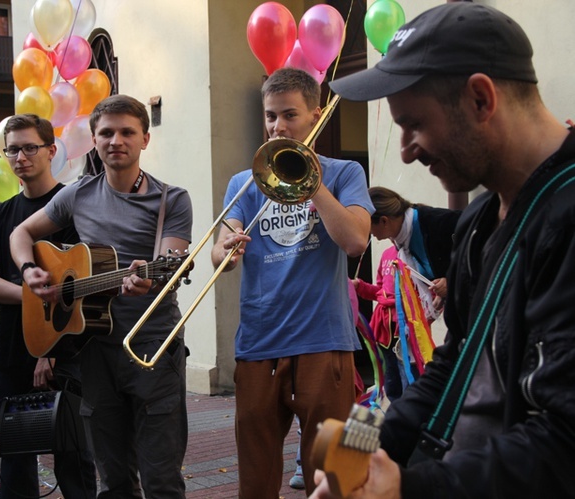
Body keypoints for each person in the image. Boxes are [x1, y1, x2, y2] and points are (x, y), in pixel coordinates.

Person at [311, 3, 575, 497]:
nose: (407, 150)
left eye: (414, 124)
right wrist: (355, 448)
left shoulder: (564, 219)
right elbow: (456, 361)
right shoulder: (477, 221)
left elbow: (563, 439)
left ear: (480, 99)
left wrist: (410, 489)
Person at [9, 95, 193, 497]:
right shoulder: (77, 195)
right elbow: (20, 234)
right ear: (93, 139)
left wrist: (150, 279)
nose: (116, 141)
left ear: (145, 138)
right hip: (95, 350)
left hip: (153, 349)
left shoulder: (171, 199)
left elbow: (171, 266)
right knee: (112, 481)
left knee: (161, 478)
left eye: (127, 132)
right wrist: (30, 272)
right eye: (106, 133)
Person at [211, 67, 373, 496]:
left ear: (316, 116)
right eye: (269, 116)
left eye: (289, 115)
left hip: (324, 339)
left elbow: (357, 240)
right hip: (259, 343)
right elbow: (217, 253)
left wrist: (313, 184)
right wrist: (226, 246)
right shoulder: (244, 181)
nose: (277, 126)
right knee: (257, 479)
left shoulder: (344, 173)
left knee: (330, 478)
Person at [0, 113, 96, 499]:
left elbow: (79, 284)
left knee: (72, 455)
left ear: (51, 150)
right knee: (16, 457)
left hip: (66, 349)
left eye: (30, 147)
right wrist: (32, 292)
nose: (20, 157)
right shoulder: (2, 214)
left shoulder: (72, 206)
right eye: (12, 150)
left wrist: (50, 353)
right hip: (11, 347)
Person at [353, 187, 460, 400]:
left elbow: (480, 255)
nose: (370, 235)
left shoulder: (438, 222)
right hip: (450, 312)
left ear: (384, 221)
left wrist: (452, 280)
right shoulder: (402, 246)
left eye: (369, 227)